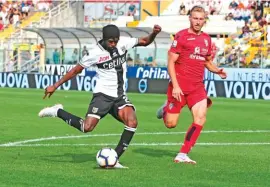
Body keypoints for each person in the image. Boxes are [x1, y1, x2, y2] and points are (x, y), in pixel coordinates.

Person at [38, 24, 162, 168]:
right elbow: (75, 70)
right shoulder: (94, 53)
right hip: (102, 96)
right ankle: (57, 111)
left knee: (132, 122)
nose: (114, 44)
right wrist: (55, 85)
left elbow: (145, 41)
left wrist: (154, 33)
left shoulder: (123, 43)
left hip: (119, 96)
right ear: (103, 39)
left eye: (116, 40)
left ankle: (114, 159)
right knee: (86, 127)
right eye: (111, 41)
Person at [156, 6, 227, 164]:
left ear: (204, 21)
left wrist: (217, 71)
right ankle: (166, 108)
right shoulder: (181, 36)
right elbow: (171, 62)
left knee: (201, 117)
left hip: (197, 88)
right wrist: (175, 86)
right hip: (179, 88)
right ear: (190, 18)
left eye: (201, 19)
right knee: (170, 124)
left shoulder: (207, 39)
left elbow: (207, 62)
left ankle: (183, 153)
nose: (198, 22)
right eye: (195, 18)